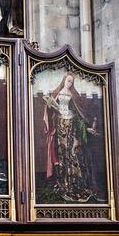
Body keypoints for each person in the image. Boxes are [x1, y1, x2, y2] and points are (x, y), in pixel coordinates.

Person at [43, 73, 98, 202]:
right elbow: (51, 110)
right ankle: (65, 184)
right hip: (61, 124)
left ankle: (77, 184)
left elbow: (79, 114)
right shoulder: (57, 92)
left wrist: (85, 127)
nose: (69, 84)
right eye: (68, 81)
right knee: (63, 152)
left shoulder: (74, 95)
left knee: (74, 153)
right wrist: (50, 104)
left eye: (71, 82)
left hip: (71, 123)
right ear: (64, 81)